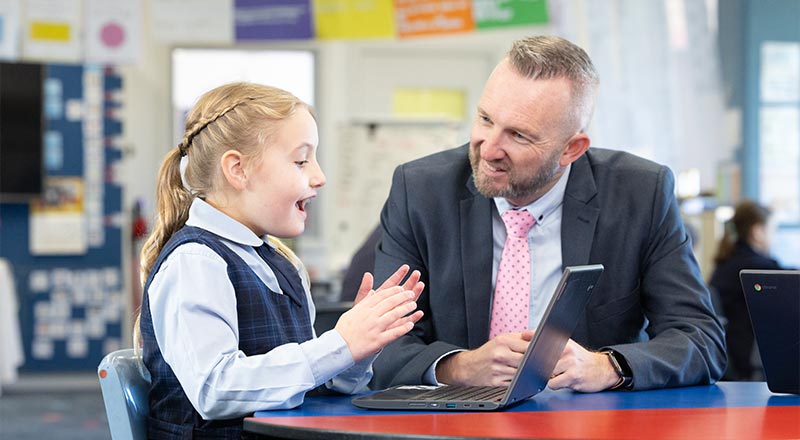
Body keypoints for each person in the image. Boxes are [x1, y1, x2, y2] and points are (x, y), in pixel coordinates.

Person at [371, 35, 726, 393]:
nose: (489, 148)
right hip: (458, 423)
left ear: (572, 149)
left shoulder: (640, 194)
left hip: (588, 424)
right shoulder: (420, 191)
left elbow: (702, 340)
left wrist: (607, 366)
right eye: (485, 119)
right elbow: (379, 346)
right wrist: (460, 366)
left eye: (519, 136)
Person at [134, 82, 424, 438]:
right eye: (301, 161)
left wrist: (358, 350)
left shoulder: (284, 266)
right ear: (238, 170)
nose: (320, 177)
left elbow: (308, 385)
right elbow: (215, 389)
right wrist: (339, 344)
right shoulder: (195, 262)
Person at [709, 200, 783, 381]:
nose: (775, 237)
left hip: (729, 356)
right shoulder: (759, 270)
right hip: (748, 360)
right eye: (773, 230)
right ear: (757, 232)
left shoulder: (726, 262)